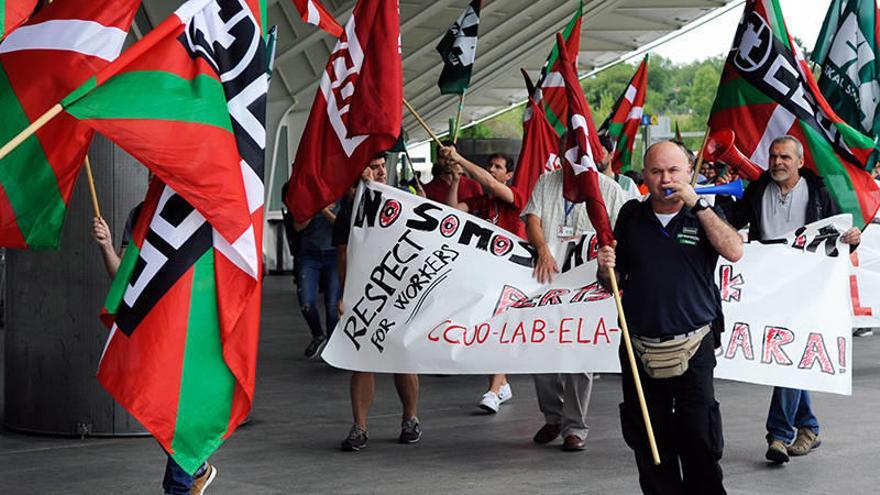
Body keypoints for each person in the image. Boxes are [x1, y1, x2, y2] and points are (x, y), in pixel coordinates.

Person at [597, 140, 742, 494]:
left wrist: (699, 204)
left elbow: (734, 250)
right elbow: (612, 281)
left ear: (689, 172)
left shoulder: (705, 213)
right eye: (657, 171)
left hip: (694, 345)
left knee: (699, 438)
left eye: (674, 170)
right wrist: (605, 269)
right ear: (645, 175)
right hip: (638, 346)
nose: (666, 179)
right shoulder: (631, 216)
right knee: (650, 443)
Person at [728, 135, 861, 464]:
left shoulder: (818, 192)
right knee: (791, 354)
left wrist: (853, 240)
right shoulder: (758, 190)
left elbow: (840, 233)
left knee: (785, 356)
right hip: (770, 288)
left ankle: (778, 434)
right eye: (774, 156)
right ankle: (809, 426)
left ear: (800, 162)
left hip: (806, 288)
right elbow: (731, 223)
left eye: (785, 157)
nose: (777, 162)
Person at [92, 201, 217, 495]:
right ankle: (196, 468)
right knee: (155, 403)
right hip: (155, 327)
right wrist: (106, 246)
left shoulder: (203, 205)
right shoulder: (141, 213)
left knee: (179, 406)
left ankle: (180, 486)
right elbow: (122, 276)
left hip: (195, 324)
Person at [522, 159, 626, 451]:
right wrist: (542, 249)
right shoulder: (546, 181)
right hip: (548, 281)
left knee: (582, 357)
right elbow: (532, 218)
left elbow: (623, 232)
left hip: (590, 285)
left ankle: (574, 427)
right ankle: (553, 417)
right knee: (541, 350)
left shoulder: (610, 190)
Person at [335, 153, 421, 452]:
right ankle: (359, 427)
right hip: (365, 293)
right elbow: (344, 253)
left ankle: (410, 418)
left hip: (400, 291)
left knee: (402, 358)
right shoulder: (352, 206)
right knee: (363, 360)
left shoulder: (403, 199)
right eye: (374, 166)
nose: (381, 171)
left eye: (383, 166)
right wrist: (346, 295)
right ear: (361, 170)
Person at [442, 147, 520, 412]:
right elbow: (453, 209)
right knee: (488, 333)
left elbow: (487, 183)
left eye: (498, 167)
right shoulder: (480, 203)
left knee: (499, 331)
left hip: (510, 275)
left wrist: (460, 158)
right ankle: (502, 385)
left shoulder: (515, 197)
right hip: (485, 275)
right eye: (491, 166)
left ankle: (494, 390)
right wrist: (455, 179)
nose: (492, 171)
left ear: (508, 175)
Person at [290, 197, 340, 360]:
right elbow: (297, 226)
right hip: (309, 255)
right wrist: (314, 208)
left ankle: (333, 347)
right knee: (306, 302)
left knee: (333, 305)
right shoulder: (309, 197)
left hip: (334, 255)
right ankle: (318, 334)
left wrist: (324, 211)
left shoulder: (342, 196)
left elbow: (342, 227)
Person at [423, 140, 484, 204]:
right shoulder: (428, 189)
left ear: (457, 158)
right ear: (437, 160)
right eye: (443, 157)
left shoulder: (473, 186)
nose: (447, 161)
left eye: (451, 157)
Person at [598, 135, 641, 203]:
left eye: (601, 154)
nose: (598, 158)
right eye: (594, 154)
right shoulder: (588, 185)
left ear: (611, 155)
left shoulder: (627, 184)